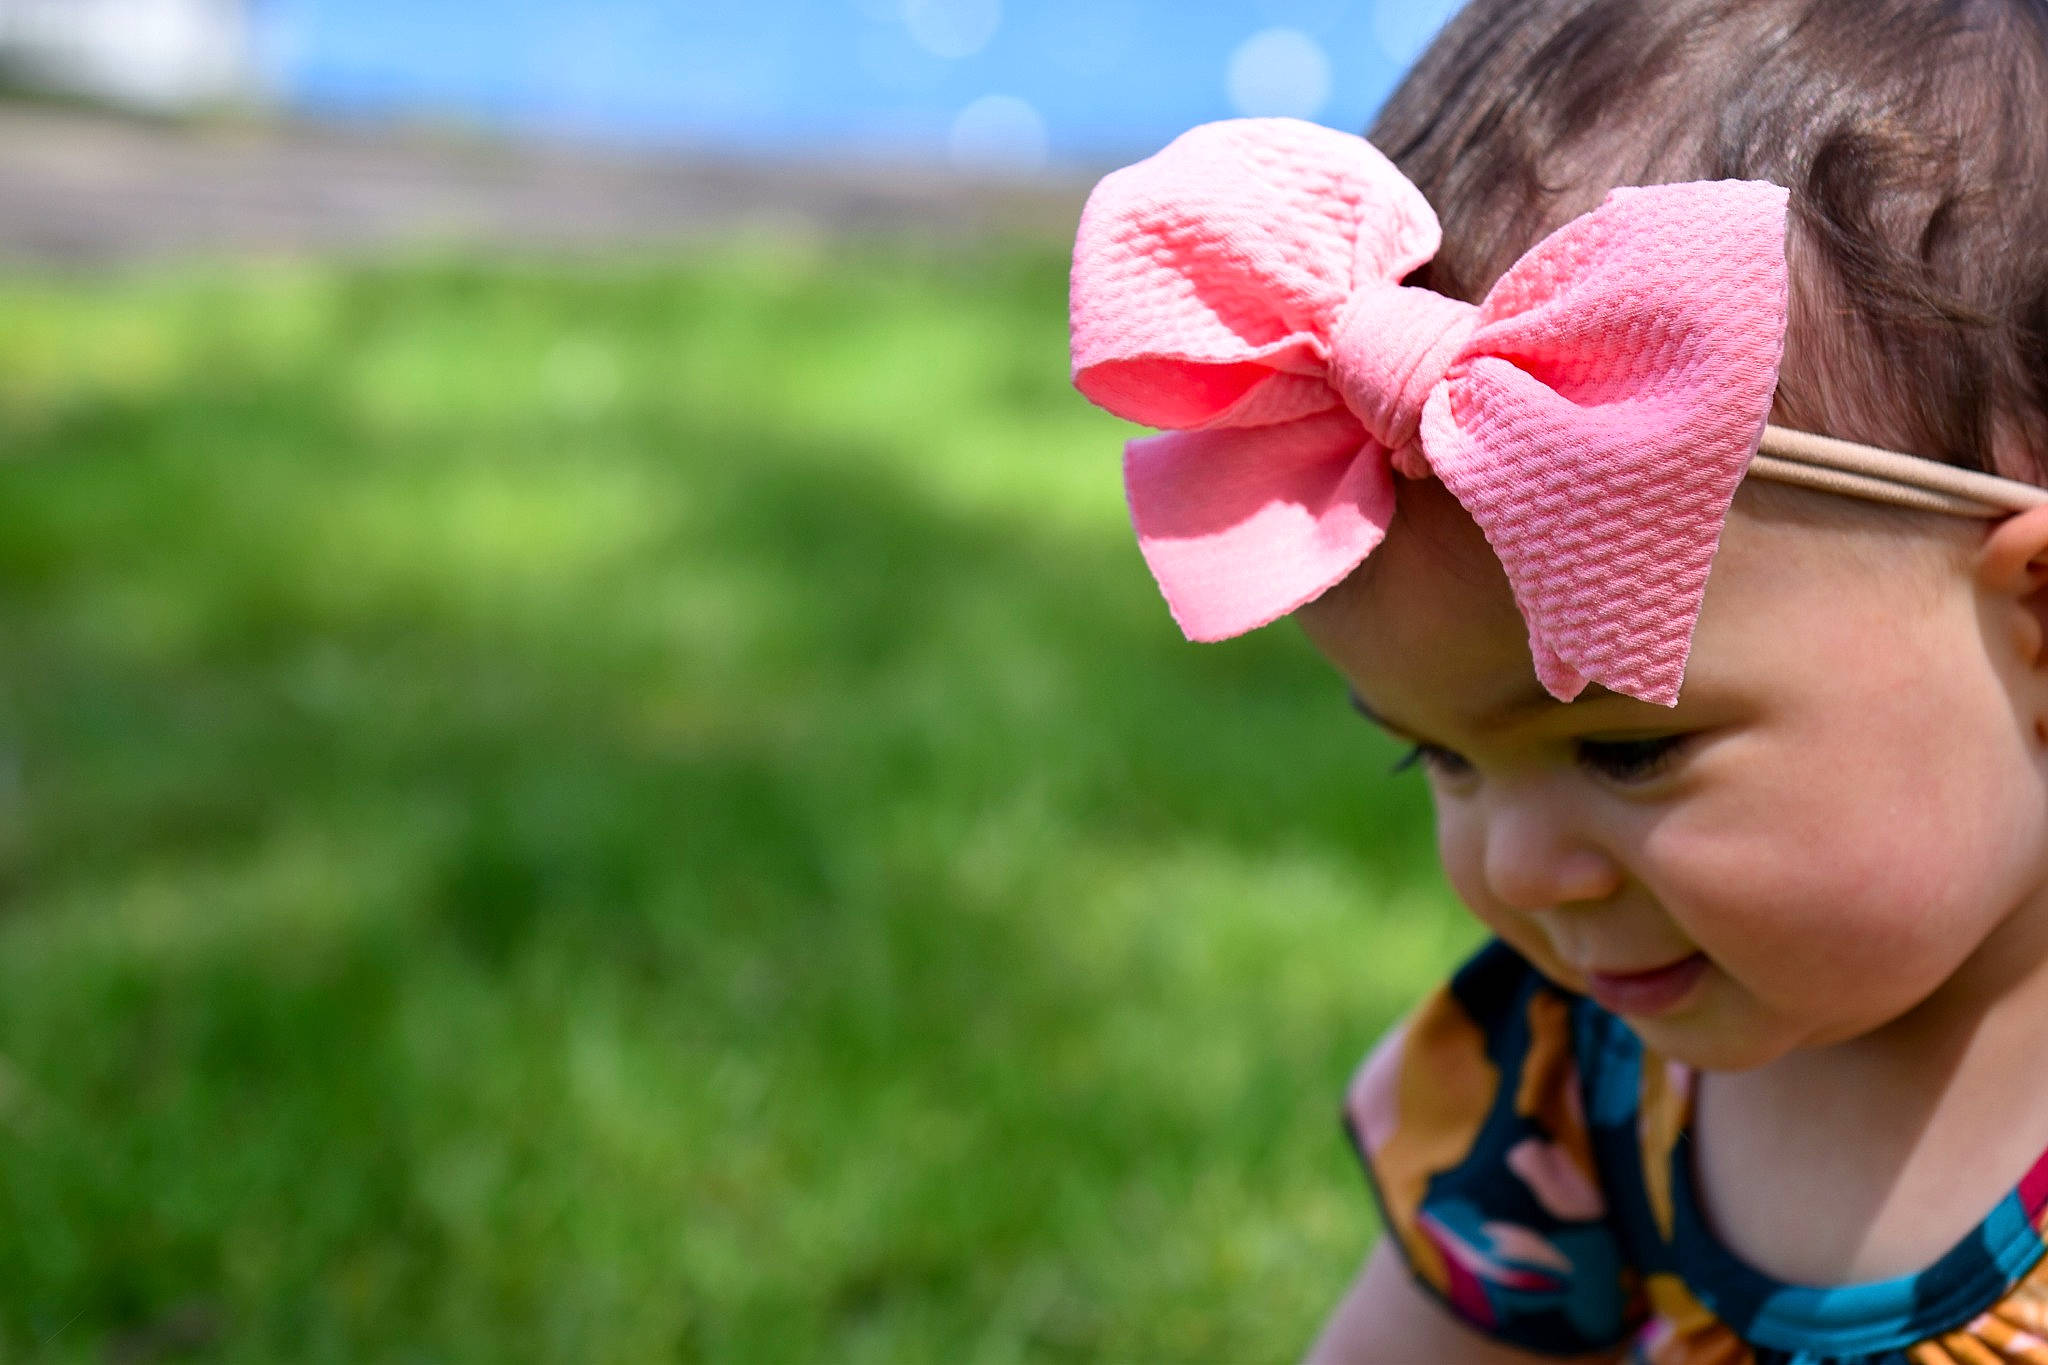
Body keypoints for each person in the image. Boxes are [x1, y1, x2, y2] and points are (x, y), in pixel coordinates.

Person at [1067, 0, 2048, 1359]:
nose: (1518, 868)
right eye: (1442, 759)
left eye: (1625, 750)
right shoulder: (1564, 1090)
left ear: (2038, 624)